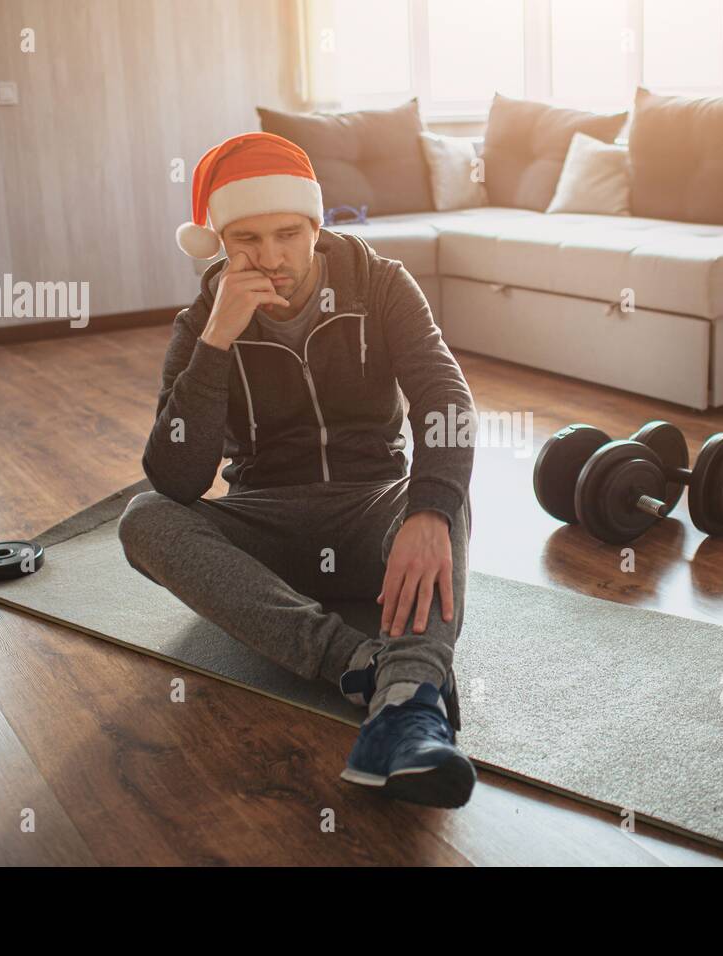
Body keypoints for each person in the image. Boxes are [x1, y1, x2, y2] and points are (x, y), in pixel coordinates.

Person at [117, 132, 477, 808]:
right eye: (246, 239)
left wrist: (426, 510)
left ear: (316, 225)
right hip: (268, 523)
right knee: (144, 519)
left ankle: (408, 708)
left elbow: (446, 401)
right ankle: (358, 664)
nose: (273, 258)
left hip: (373, 510)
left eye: (289, 233)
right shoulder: (202, 320)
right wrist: (216, 341)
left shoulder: (380, 284)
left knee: (445, 495)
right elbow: (177, 477)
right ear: (219, 241)